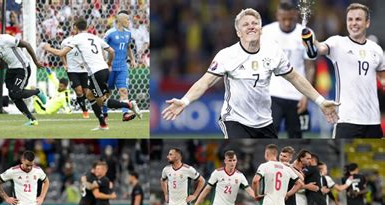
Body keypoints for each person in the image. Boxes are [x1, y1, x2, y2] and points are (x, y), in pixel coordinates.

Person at [162, 8, 339, 138]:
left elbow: (295, 78)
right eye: (245, 24)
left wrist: (320, 101)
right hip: (235, 120)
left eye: (255, 23)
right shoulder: (227, 55)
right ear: (238, 32)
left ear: (261, 29)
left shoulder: (273, 52)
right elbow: (205, 82)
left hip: (264, 121)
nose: (251, 26)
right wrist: (184, 101)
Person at [43, 18, 141, 131]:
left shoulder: (77, 38)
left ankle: (128, 105)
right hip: (104, 69)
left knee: (102, 101)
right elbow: (112, 51)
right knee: (89, 95)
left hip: (96, 73)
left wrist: (48, 48)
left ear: (75, 27)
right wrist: (109, 63)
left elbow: (61, 53)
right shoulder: (94, 37)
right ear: (86, 27)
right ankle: (103, 124)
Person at [309, 3, 385, 138]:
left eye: (358, 19)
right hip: (346, 120)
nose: (353, 23)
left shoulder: (376, 49)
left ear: (367, 23)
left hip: (373, 121)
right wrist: (311, 41)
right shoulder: (338, 43)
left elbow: (382, 77)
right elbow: (320, 48)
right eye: (350, 19)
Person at [262, 2, 315, 137]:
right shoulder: (266, 32)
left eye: (290, 19)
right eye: (283, 19)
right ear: (277, 16)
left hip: (297, 94)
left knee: (296, 136)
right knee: (270, 134)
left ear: (296, 16)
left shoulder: (306, 33)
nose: (286, 23)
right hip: (273, 94)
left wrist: (306, 95)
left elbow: (310, 67)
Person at [0, 24, 47, 126]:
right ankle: (32, 119)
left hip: (22, 67)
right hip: (11, 69)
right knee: (13, 95)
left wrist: (36, 62)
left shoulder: (7, 39)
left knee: (16, 92)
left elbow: (27, 45)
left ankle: (37, 91)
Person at [104, 10, 137, 121]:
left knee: (123, 91)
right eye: (127, 19)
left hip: (122, 67)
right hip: (110, 67)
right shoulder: (110, 33)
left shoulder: (128, 33)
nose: (129, 21)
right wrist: (105, 63)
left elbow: (128, 47)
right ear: (121, 19)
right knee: (107, 92)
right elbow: (102, 47)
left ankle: (125, 114)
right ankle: (104, 114)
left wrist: (132, 59)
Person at [60, 30, 89, 118]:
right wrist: (65, 64)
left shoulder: (85, 40)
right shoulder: (65, 42)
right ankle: (84, 111)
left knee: (86, 92)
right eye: (74, 28)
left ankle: (79, 102)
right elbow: (62, 54)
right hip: (72, 70)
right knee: (79, 91)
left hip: (84, 69)